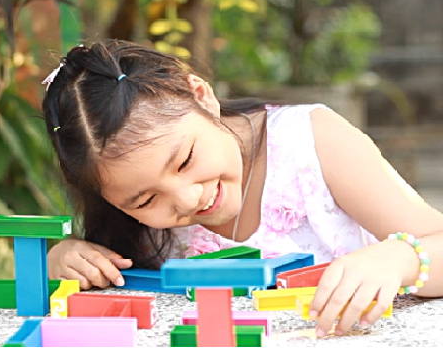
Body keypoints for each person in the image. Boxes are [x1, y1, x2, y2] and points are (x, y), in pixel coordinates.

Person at [41, 39, 443, 337]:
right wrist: (67, 261)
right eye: (145, 199)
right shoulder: (130, 225)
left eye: (185, 161)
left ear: (201, 96)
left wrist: (398, 259)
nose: (187, 198)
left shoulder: (312, 143)